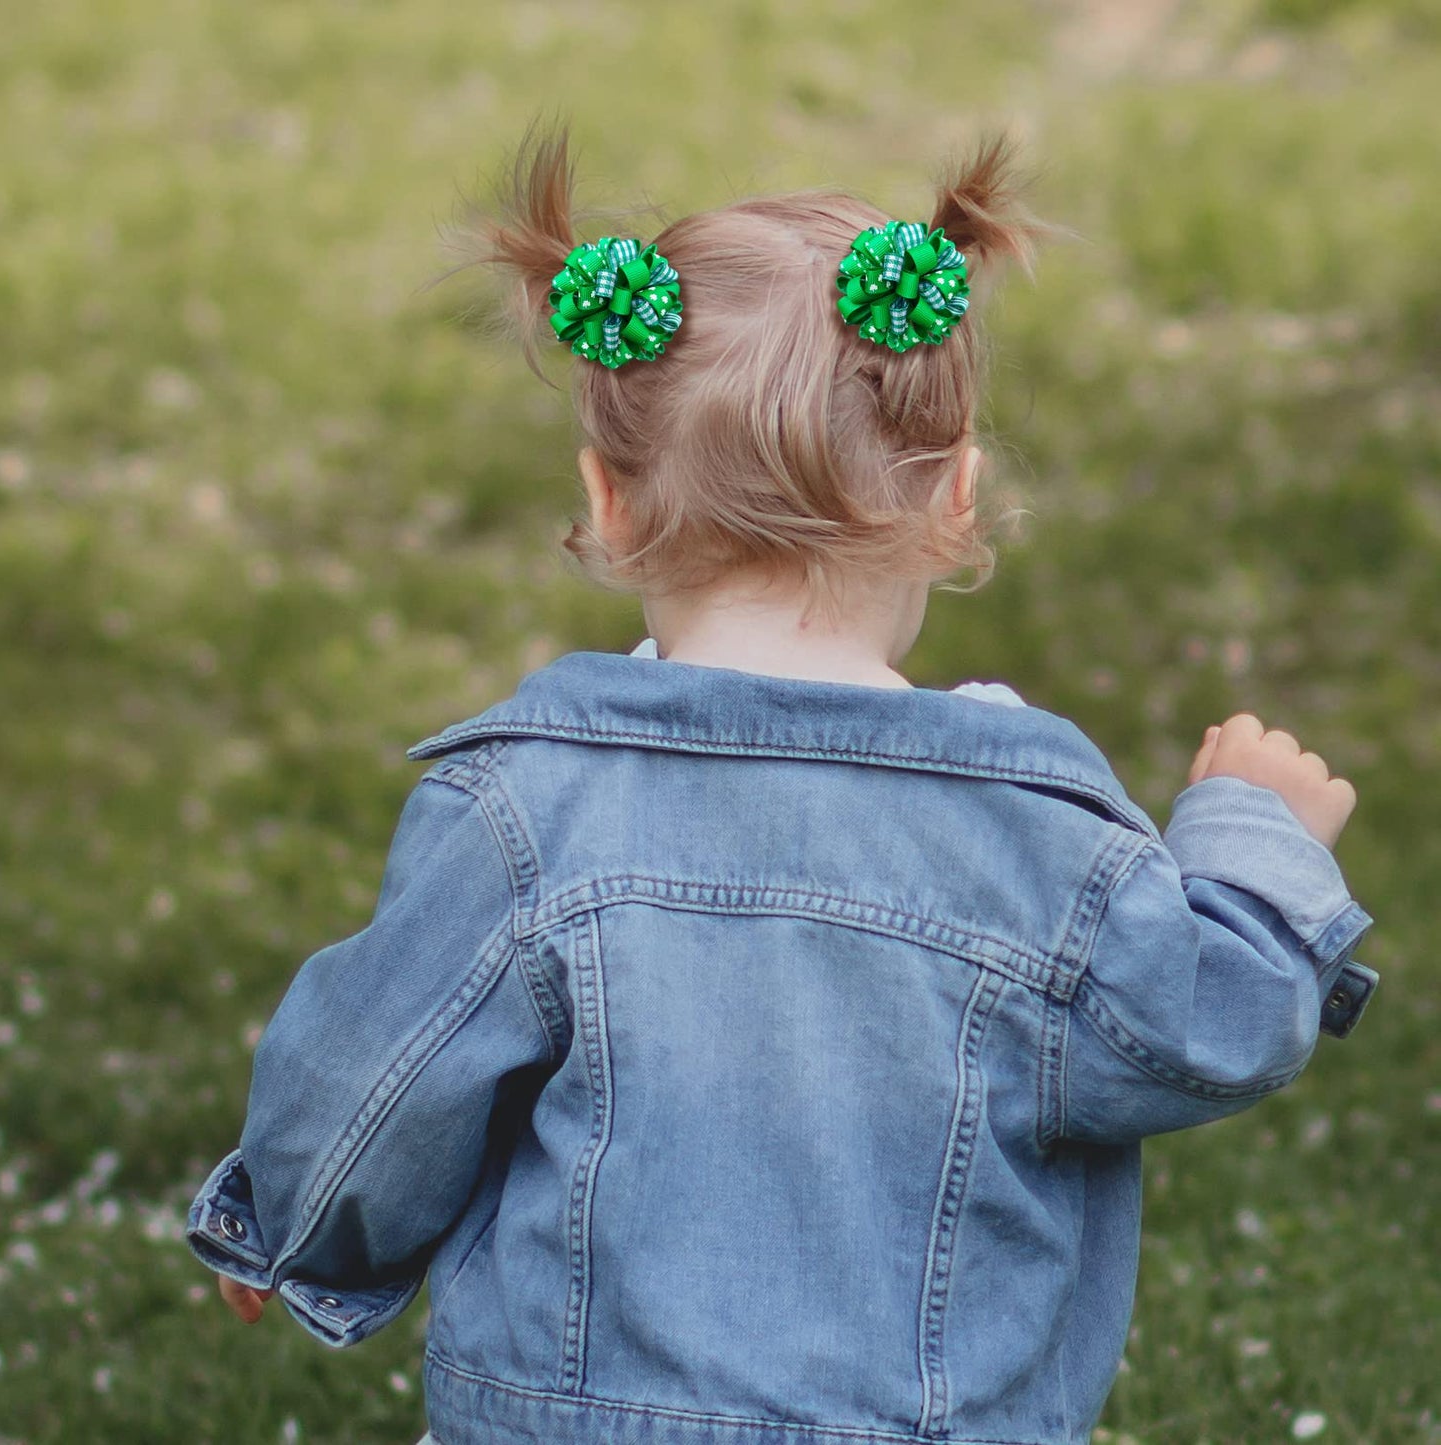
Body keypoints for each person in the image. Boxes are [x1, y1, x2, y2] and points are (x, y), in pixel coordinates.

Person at [186, 121, 1377, 1445]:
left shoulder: (534, 806)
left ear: (607, 498)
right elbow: (1195, 1022)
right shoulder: (1032, 831)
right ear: (957, 495)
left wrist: (288, 1218)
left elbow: (382, 1060)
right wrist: (1250, 836)